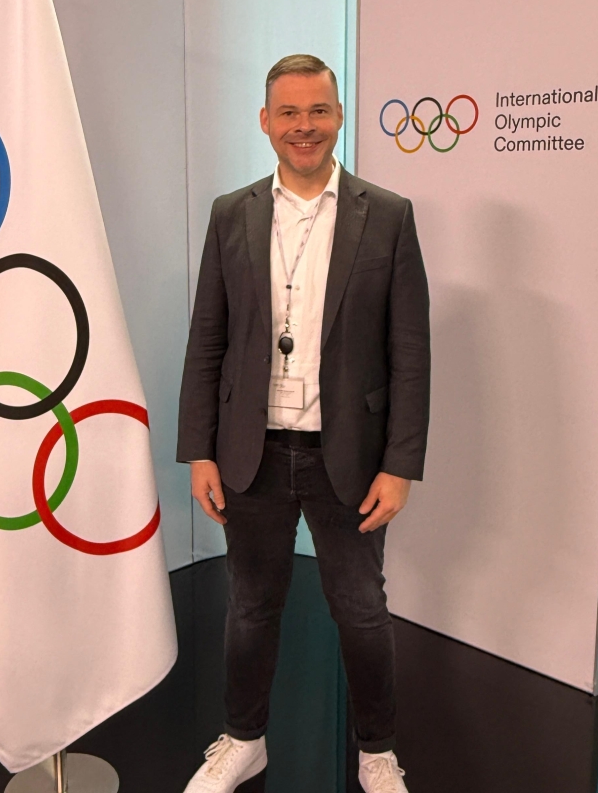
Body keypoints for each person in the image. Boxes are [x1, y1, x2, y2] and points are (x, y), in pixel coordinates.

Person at [177, 54, 431, 793]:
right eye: (288, 112)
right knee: (251, 607)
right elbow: (208, 339)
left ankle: (376, 752)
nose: (304, 126)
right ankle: (243, 739)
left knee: (361, 610)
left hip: (348, 455)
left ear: (339, 116)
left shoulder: (388, 215)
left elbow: (410, 352)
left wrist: (401, 464)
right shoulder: (231, 213)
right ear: (265, 121)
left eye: (318, 110)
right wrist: (200, 451)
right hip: (249, 452)